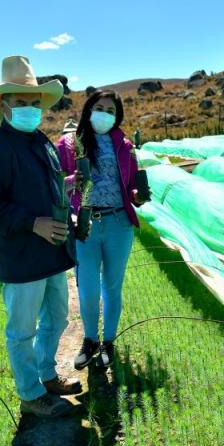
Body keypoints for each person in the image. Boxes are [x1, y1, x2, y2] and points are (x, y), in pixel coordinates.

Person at [0, 56, 81, 418]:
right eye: (21, 102)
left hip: (52, 253)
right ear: (4, 105)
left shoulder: (42, 143)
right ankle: (31, 395)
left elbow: (43, 189)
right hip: (22, 258)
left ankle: (47, 375)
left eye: (35, 102)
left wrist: (67, 189)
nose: (30, 108)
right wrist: (33, 223)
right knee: (22, 330)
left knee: (57, 319)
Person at [55, 89, 145, 370]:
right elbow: (54, 183)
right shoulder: (69, 144)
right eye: (100, 107)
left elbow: (130, 184)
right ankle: (90, 339)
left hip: (118, 223)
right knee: (88, 289)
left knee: (112, 287)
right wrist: (72, 180)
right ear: (88, 110)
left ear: (117, 116)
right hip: (86, 225)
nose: (104, 114)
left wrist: (137, 194)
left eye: (111, 110)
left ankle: (109, 342)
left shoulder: (125, 145)